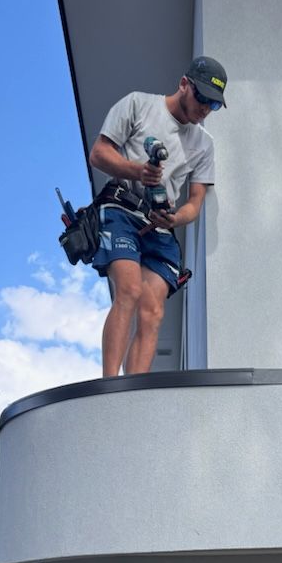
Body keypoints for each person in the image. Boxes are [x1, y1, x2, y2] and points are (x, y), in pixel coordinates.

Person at [88, 56, 227, 377]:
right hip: (122, 208)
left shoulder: (205, 144)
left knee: (152, 312)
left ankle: (134, 391)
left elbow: (195, 203)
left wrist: (176, 219)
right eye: (202, 97)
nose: (206, 108)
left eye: (214, 104)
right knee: (129, 289)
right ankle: (109, 385)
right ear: (183, 84)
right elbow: (99, 153)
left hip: (160, 225)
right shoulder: (138, 104)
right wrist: (139, 171)